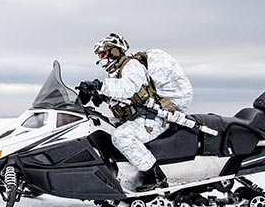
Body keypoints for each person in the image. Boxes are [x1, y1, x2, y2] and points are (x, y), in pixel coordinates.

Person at [78, 33, 193, 191]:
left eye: (103, 54)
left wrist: (99, 85)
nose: (101, 60)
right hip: (138, 117)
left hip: (154, 119)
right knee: (101, 127)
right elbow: (128, 98)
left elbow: (128, 87)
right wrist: (98, 96)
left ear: (115, 52)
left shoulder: (132, 66)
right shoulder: (119, 71)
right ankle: (112, 170)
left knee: (122, 136)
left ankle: (156, 177)